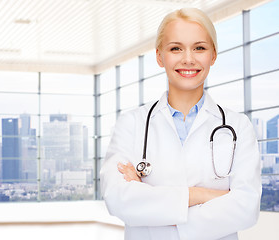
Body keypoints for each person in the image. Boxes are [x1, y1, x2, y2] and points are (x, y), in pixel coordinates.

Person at [100, 7, 261, 240]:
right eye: (176, 48)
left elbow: (246, 207)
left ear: (213, 55)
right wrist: (200, 195)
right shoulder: (131, 124)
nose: (188, 59)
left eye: (199, 48)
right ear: (159, 56)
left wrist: (154, 207)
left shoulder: (238, 126)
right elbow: (117, 198)